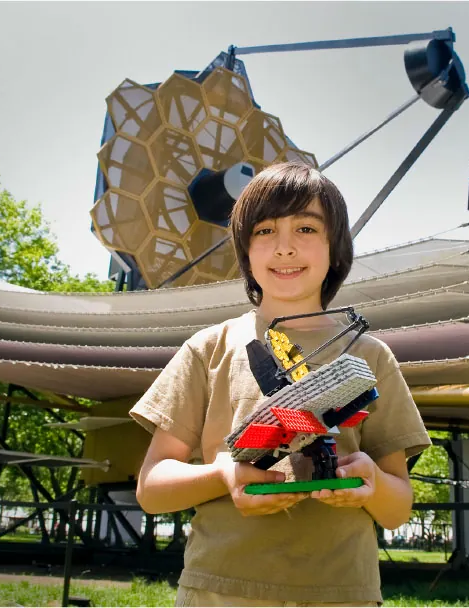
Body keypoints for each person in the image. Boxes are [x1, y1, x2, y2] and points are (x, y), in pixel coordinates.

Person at [130, 162, 431, 606]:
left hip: (341, 593)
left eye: (306, 229)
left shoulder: (370, 357)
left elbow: (397, 507)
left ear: (336, 247)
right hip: (220, 591)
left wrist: (371, 480)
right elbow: (151, 488)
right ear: (246, 251)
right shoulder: (208, 349)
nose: (285, 248)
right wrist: (224, 474)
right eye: (265, 230)